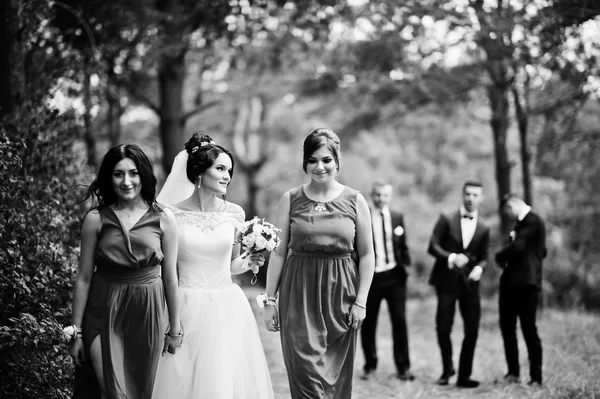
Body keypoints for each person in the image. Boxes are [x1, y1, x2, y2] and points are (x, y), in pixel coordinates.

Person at [151, 133, 274, 399]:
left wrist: (248, 261)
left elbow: (230, 265)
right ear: (198, 172)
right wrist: (174, 324)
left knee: (221, 382)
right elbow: (168, 274)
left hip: (227, 307)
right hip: (185, 305)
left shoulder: (235, 214)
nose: (227, 176)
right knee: (182, 380)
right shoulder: (171, 215)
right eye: (220, 168)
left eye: (229, 170)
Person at [262, 128, 375, 399]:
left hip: (341, 295)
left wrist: (361, 301)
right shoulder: (291, 198)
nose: (319, 166)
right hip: (298, 293)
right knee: (304, 372)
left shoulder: (355, 200)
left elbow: (368, 255)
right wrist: (269, 301)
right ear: (305, 162)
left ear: (337, 161)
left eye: (326, 160)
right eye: (312, 160)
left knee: (336, 378)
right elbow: (278, 253)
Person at [69, 144, 182, 399]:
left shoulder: (164, 218)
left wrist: (175, 328)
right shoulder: (95, 219)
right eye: (118, 174)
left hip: (147, 312)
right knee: (112, 392)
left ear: (144, 175)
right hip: (103, 309)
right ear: (109, 177)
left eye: (133, 173)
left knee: (141, 391)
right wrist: (75, 331)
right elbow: (84, 278)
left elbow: (171, 277)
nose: (126, 181)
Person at [427, 180, 490, 388]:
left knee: (472, 330)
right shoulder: (446, 219)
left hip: (470, 286)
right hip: (446, 282)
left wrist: (480, 268)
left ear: (481, 198)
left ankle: (464, 376)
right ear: (463, 195)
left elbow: (484, 256)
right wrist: (451, 257)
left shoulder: (484, 227)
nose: (471, 198)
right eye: (468, 194)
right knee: (443, 328)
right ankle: (447, 370)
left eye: (475, 195)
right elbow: (433, 246)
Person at [361, 181, 414, 381]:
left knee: (399, 321)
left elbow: (403, 245)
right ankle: (370, 365)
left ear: (389, 197)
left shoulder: (398, 217)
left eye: (384, 195)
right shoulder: (364, 217)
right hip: (372, 277)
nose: (380, 199)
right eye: (377, 195)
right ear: (372, 195)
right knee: (369, 322)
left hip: (395, 277)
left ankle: (403, 367)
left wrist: (406, 268)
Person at [495, 193, 546, 387]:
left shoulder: (533, 221)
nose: (508, 217)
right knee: (507, 328)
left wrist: (500, 255)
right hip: (510, 284)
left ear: (510, 206)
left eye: (507, 212)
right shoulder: (521, 224)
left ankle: (536, 377)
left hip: (526, 285)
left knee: (528, 329)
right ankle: (513, 372)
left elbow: (519, 246)